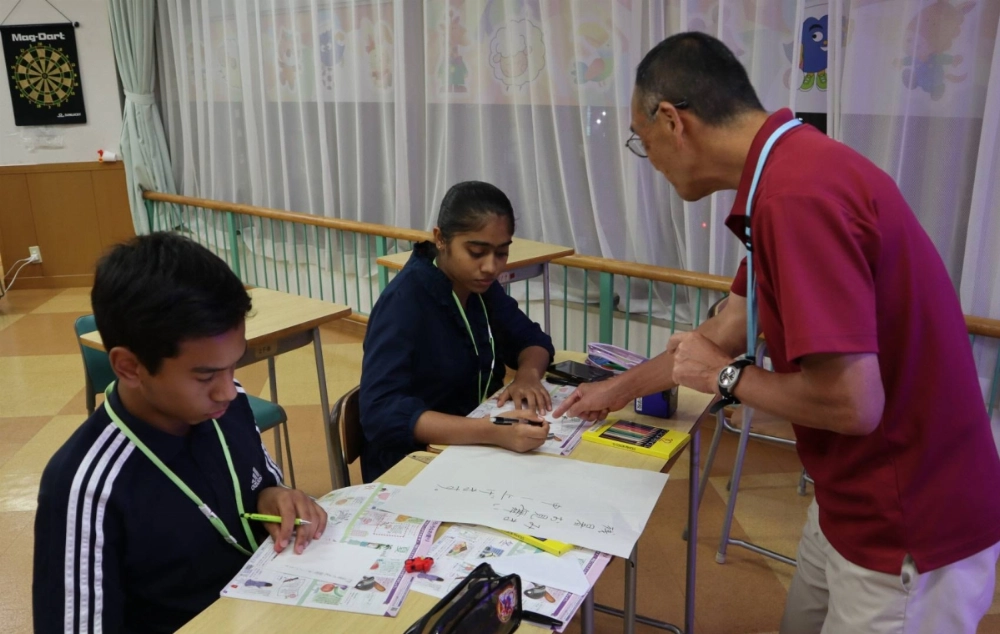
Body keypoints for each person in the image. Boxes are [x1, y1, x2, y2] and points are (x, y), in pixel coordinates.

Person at [554, 32, 1000, 633]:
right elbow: (729, 326)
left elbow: (852, 403)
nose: (650, 158)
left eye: (643, 141)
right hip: (849, 495)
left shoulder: (797, 196)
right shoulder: (788, 171)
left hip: (908, 520)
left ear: (672, 120)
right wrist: (619, 388)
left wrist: (726, 379)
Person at [33, 233, 328, 633]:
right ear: (129, 367)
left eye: (233, 366)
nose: (230, 390)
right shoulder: (85, 488)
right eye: (206, 375)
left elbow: (260, 480)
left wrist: (272, 495)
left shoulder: (229, 405)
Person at [360, 181, 555, 482]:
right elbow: (381, 411)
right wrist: (491, 431)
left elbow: (532, 340)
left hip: (479, 445)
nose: (491, 267)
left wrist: (527, 376)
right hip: (412, 462)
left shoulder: (479, 288)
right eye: (477, 252)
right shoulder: (404, 302)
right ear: (440, 239)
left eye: (501, 253)